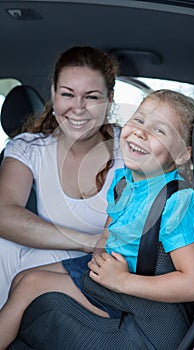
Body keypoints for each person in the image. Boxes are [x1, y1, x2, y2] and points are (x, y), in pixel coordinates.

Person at [0, 89, 194, 349]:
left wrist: (122, 281)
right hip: (107, 271)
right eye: (139, 120)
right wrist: (99, 253)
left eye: (160, 130)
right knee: (23, 277)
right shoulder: (124, 181)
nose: (141, 132)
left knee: (29, 285)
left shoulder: (173, 201)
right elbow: (110, 230)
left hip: (131, 294)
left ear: (180, 154)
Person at [0, 46, 123, 307]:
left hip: (102, 269)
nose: (78, 108)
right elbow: (3, 213)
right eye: (67, 94)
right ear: (54, 94)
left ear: (109, 99)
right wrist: (86, 241)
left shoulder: (131, 147)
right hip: (48, 253)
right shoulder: (29, 147)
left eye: (91, 97)